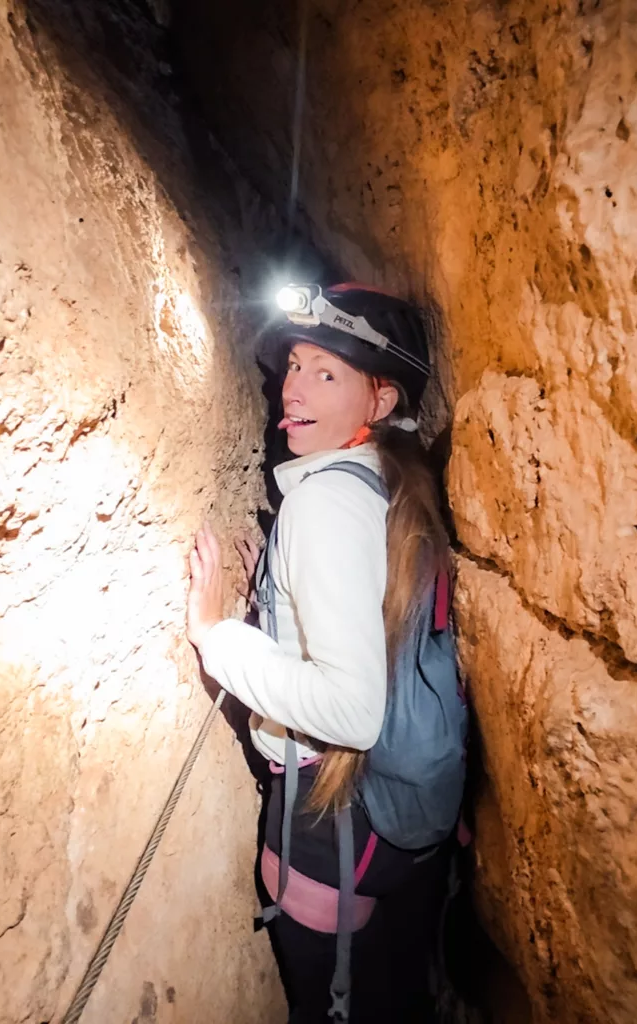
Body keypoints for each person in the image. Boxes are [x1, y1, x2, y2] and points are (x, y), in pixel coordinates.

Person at [187, 283, 455, 1022]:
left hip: (329, 822)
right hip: (392, 824)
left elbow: (350, 708)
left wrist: (218, 636)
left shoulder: (322, 502)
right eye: (296, 365)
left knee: (330, 1003)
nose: (293, 387)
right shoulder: (388, 484)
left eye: (326, 373)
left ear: (379, 399)